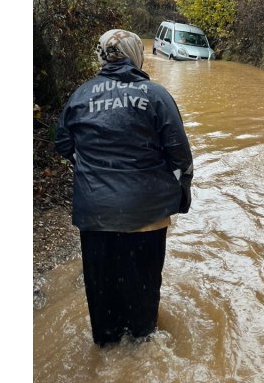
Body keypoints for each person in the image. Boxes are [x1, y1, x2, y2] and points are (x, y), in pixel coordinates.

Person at [53, 28, 194, 347]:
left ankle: (104, 353)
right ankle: (142, 356)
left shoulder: (80, 94)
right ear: (136, 56)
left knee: (103, 310)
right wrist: (181, 196)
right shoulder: (156, 95)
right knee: (143, 310)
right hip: (146, 216)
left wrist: (89, 172)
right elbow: (180, 156)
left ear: (101, 56)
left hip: (94, 216)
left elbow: (62, 143)